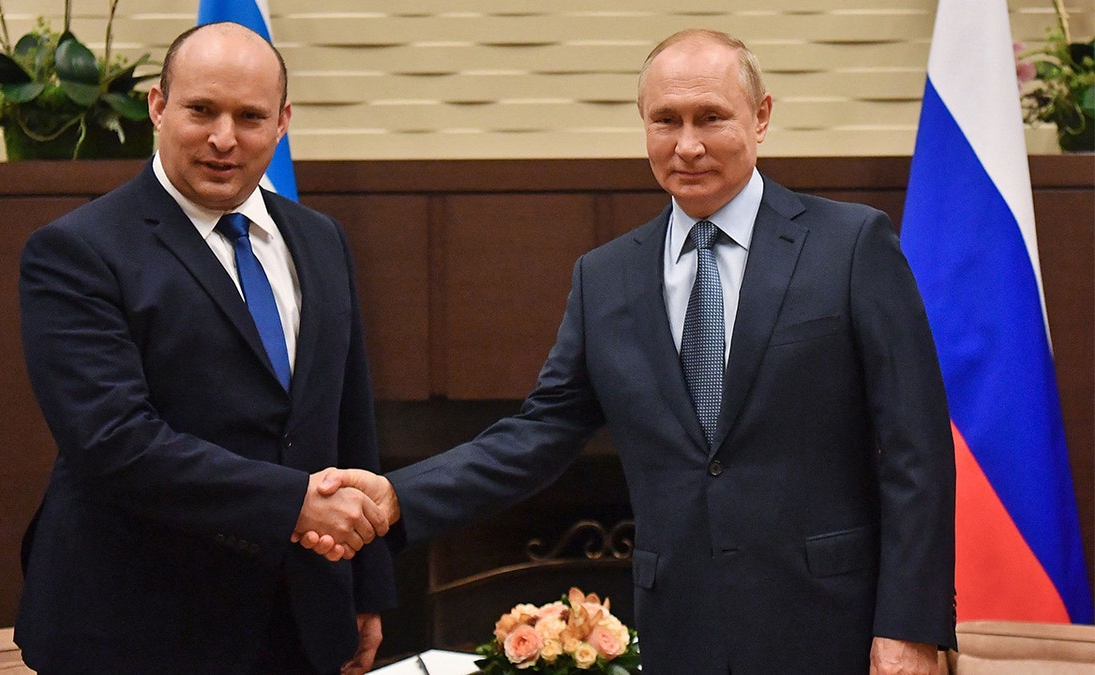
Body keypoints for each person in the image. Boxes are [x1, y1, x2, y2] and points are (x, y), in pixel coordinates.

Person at [305, 28, 957, 674]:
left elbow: (915, 448)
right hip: (681, 631)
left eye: (711, 118)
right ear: (643, 124)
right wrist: (396, 495)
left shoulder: (850, 245)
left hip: (830, 627)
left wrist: (908, 626)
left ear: (761, 118)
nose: (688, 144)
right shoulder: (605, 276)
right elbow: (535, 437)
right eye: (666, 120)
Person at [14, 22, 395, 675]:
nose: (225, 137)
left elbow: (346, 423)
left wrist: (364, 590)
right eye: (202, 110)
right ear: (158, 107)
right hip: (135, 630)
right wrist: (292, 502)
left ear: (283, 124)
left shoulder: (322, 239)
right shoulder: (76, 251)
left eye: (250, 116)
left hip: (299, 621)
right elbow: (115, 442)